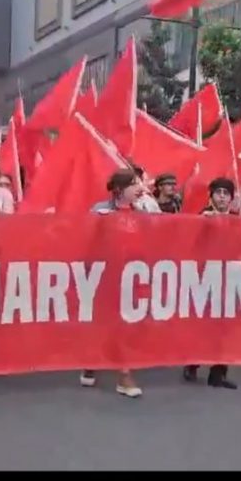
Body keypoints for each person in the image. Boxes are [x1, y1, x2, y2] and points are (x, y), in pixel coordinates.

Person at [81, 169, 150, 398]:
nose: (139, 187)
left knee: (127, 324)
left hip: (133, 274)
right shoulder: (100, 210)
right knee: (104, 322)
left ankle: (123, 372)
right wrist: (97, 225)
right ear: (120, 189)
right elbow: (83, 239)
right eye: (134, 183)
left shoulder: (143, 210)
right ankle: (96, 362)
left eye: (139, 183)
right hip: (106, 275)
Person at [183, 178, 239, 390]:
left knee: (224, 327)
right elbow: (190, 243)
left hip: (229, 278)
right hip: (204, 277)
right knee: (201, 324)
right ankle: (192, 362)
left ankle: (218, 373)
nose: (222, 196)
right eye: (218, 192)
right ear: (211, 196)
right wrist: (204, 224)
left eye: (227, 193)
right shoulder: (202, 217)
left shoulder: (237, 220)